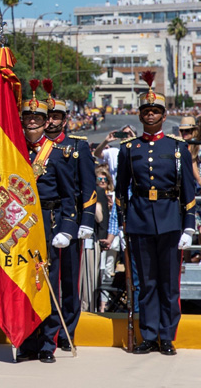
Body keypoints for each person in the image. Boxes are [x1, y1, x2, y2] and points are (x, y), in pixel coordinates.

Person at [116, 76, 197, 356]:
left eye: (155, 111)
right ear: (140, 115)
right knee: (146, 284)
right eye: (146, 111)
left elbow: (188, 191)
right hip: (139, 221)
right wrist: (123, 223)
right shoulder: (129, 149)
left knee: (168, 284)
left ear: (164, 115)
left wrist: (189, 227)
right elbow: (120, 191)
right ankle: (148, 335)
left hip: (171, 220)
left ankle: (167, 336)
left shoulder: (178, 149)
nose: (150, 114)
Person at [16, 91, 78, 364]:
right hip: (23, 229)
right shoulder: (13, 153)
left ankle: (47, 343)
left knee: (47, 286)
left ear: (45, 122)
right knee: (26, 286)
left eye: (37, 118)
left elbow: (69, 195)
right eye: (28, 117)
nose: (32, 122)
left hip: (49, 226)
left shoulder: (58, 153)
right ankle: (28, 341)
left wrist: (66, 227)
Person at [44, 87, 96, 350]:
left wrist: (86, 220)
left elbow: (89, 186)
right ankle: (50, 329)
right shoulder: (35, 147)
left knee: (69, 279)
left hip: (70, 220)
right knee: (48, 278)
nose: (51, 120)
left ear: (65, 119)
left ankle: (68, 331)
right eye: (48, 116)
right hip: (43, 220)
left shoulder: (77, 145)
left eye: (56, 116)